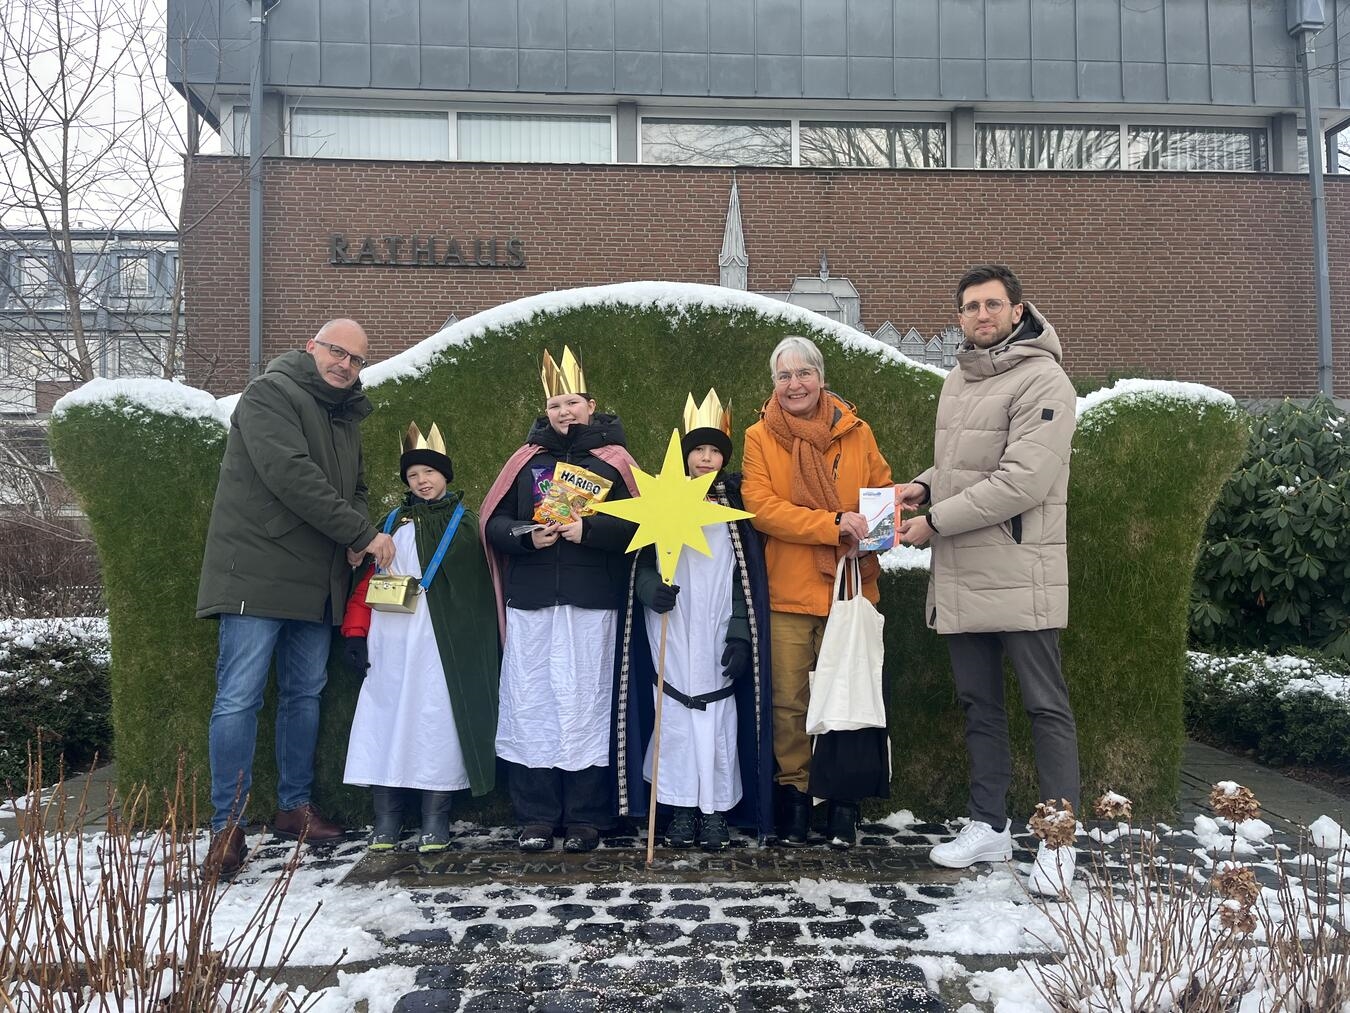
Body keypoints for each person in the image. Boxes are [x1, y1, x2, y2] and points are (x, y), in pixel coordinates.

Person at [897, 264, 1080, 896]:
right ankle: (990, 825)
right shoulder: (960, 377)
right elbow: (964, 462)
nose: (981, 314)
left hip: (1018, 568)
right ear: (960, 318)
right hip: (964, 570)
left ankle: (1058, 841)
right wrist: (923, 482)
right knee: (981, 707)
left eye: (992, 304)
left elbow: (1021, 480)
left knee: (1044, 708)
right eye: (970, 306)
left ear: (1017, 309)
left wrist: (933, 521)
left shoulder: (1044, 379)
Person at [197, 318, 395, 878]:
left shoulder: (344, 416)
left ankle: (294, 808)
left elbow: (353, 487)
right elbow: (290, 474)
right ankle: (226, 828)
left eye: (356, 360)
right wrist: (360, 535)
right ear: (312, 347)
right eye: (337, 352)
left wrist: (354, 531)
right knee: (239, 698)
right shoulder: (270, 394)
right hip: (256, 573)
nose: (345, 365)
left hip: (318, 577)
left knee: (304, 694)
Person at [481, 347, 638, 854]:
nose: (563, 412)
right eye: (554, 404)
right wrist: (527, 537)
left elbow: (640, 523)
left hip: (592, 604)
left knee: (586, 705)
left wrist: (587, 528)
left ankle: (588, 816)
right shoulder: (526, 461)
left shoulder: (615, 463)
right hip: (532, 604)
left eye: (571, 402)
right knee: (533, 705)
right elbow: (493, 523)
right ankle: (536, 815)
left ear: (591, 406)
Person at [741, 335, 893, 848]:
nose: (794, 384)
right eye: (783, 376)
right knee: (790, 704)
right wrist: (833, 524)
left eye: (803, 374)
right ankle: (796, 797)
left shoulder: (857, 432)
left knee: (848, 697)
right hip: (787, 591)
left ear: (822, 379)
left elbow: (881, 495)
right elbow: (762, 507)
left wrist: (867, 534)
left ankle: (842, 802)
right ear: (773, 384)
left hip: (849, 590)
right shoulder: (759, 436)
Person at [622, 390, 775, 849]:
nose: (706, 459)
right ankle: (681, 806)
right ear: (686, 456)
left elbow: (744, 581)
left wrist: (741, 635)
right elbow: (642, 566)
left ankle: (714, 809)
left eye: (714, 452)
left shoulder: (735, 508)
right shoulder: (660, 500)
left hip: (715, 627)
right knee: (672, 715)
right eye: (698, 450)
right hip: (671, 623)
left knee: (716, 716)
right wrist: (652, 592)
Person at [338, 423, 499, 852]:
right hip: (390, 644)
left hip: (438, 647)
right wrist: (356, 633)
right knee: (385, 723)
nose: (422, 481)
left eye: (429, 472)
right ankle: (386, 820)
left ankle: (435, 819)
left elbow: (481, 591)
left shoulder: (467, 526)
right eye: (413, 476)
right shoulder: (389, 524)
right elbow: (365, 582)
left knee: (436, 722)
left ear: (446, 475)